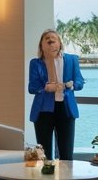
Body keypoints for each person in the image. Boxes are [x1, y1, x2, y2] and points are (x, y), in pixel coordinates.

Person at [28, 29, 85, 161]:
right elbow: (32, 87)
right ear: (41, 45)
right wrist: (46, 88)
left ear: (59, 43)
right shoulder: (35, 63)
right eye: (46, 38)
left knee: (66, 154)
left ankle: (66, 175)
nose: (50, 40)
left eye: (53, 38)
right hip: (43, 111)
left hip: (66, 109)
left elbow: (80, 81)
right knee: (44, 155)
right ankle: (47, 175)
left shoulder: (72, 60)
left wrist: (72, 85)